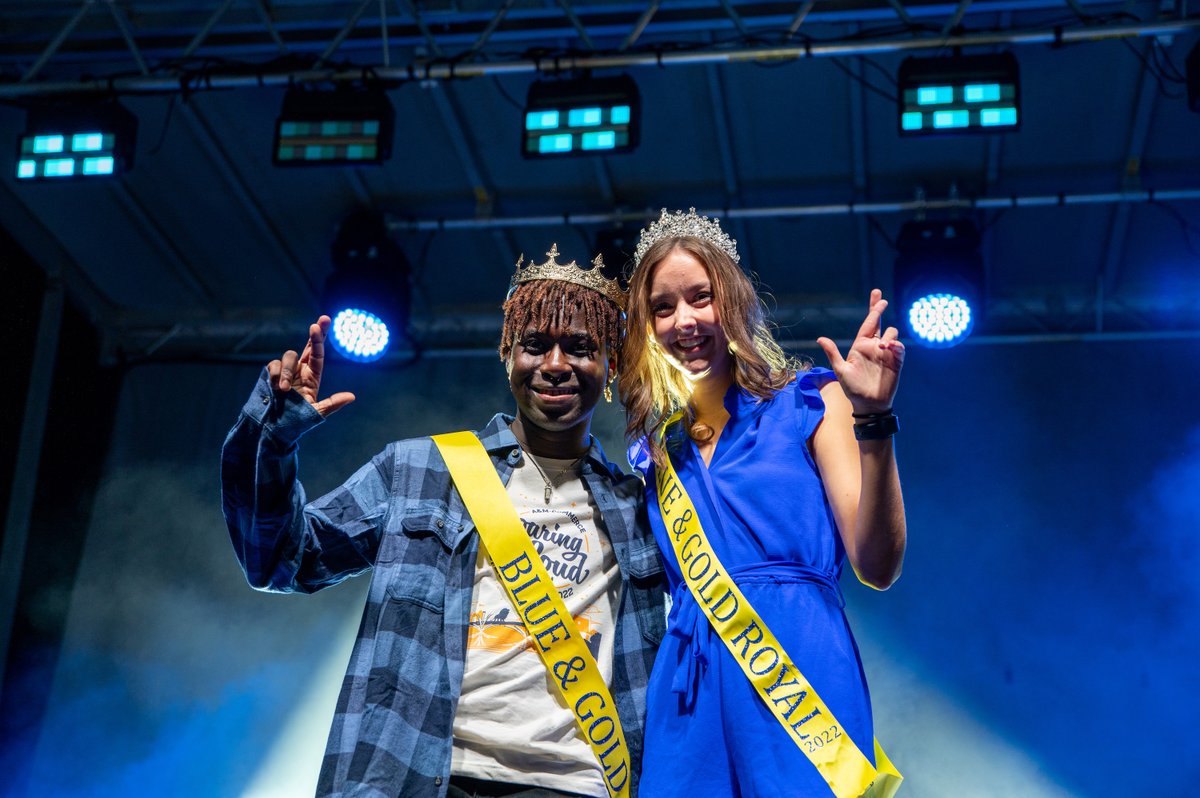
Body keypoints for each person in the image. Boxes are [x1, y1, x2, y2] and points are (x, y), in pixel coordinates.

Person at [221, 245, 666, 798]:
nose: (556, 364)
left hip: (578, 783)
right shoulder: (419, 468)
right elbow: (282, 561)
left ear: (611, 364)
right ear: (507, 353)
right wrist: (271, 441)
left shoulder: (642, 504)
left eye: (580, 347)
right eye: (535, 345)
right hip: (415, 775)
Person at [618, 209, 907, 797]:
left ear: (733, 298)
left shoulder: (811, 400)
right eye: (663, 307)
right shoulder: (656, 453)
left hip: (797, 662)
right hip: (688, 680)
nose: (685, 321)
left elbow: (877, 566)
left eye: (701, 297)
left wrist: (873, 419)